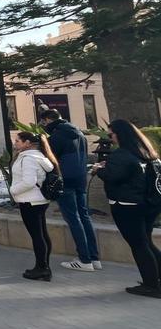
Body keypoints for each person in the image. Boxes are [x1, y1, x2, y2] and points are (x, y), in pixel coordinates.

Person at [96, 120, 161, 298]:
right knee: (146, 242)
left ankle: (151, 285)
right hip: (148, 203)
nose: (110, 138)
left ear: (120, 134)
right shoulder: (147, 151)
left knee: (139, 245)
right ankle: (155, 279)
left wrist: (98, 170)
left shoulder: (121, 155)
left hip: (127, 205)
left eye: (111, 135)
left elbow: (113, 176)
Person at [40, 109, 100, 271]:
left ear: (47, 120)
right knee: (84, 216)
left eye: (44, 123)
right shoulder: (78, 133)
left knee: (73, 219)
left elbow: (49, 159)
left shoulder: (57, 136)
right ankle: (94, 258)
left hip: (65, 180)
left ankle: (84, 260)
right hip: (80, 178)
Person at [11, 131, 57, 281]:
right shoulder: (40, 156)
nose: (15, 143)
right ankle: (44, 266)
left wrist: (13, 190)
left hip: (30, 200)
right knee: (42, 234)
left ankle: (42, 268)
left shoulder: (28, 159)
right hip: (39, 200)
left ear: (27, 143)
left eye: (18, 141)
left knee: (37, 235)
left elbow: (29, 182)